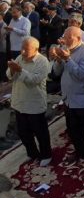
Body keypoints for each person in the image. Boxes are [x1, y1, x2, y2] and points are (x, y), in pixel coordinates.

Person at [52, 27, 84, 166]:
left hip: (83, 98)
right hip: (68, 98)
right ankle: (81, 152)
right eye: (64, 38)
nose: (65, 41)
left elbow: (81, 74)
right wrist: (58, 60)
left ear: (78, 39)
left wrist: (67, 59)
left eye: (69, 38)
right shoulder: (64, 48)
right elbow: (56, 72)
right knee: (73, 130)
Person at [7, 37, 52, 166]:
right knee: (23, 133)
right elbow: (9, 76)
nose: (22, 52)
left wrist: (20, 70)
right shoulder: (20, 58)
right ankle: (33, 154)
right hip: (19, 102)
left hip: (34, 104)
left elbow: (34, 80)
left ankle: (46, 154)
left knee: (40, 132)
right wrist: (11, 69)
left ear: (35, 49)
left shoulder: (42, 61)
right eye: (22, 48)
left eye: (26, 49)